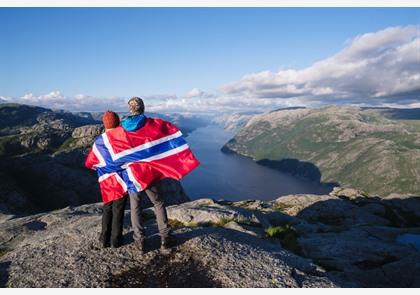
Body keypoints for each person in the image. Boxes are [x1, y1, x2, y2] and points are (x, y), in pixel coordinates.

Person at [122, 97, 172, 253]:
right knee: (158, 203)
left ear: (130, 109)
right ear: (142, 108)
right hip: (150, 172)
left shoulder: (122, 128)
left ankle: (140, 241)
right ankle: (165, 238)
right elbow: (162, 141)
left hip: (132, 173)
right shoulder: (151, 124)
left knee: (135, 206)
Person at [85, 111, 128, 248]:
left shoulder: (99, 142)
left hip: (107, 182)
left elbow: (89, 163)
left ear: (105, 124)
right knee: (118, 210)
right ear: (118, 123)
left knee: (107, 208)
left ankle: (104, 239)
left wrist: (101, 168)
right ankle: (116, 240)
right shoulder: (124, 139)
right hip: (121, 181)